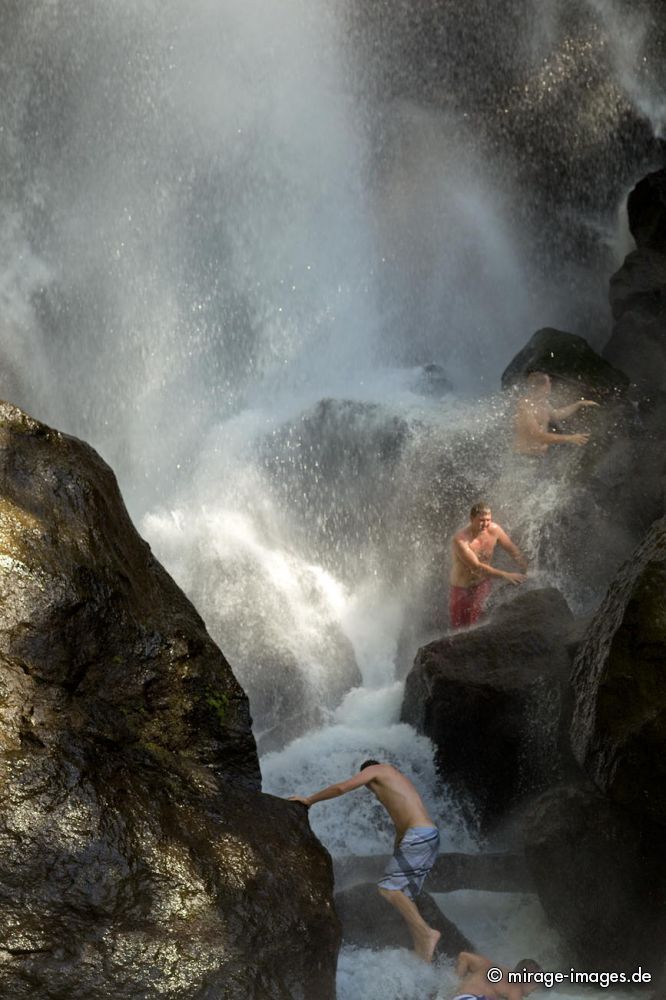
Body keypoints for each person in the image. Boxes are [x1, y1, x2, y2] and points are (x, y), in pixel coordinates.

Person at [289, 760, 442, 962]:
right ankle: (423, 953)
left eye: (369, 786)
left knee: (389, 889)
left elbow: (341, 787)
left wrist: (309, 800)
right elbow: (401, 826)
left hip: (419, 835)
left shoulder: (376, 769)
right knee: (405, 894)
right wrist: (398, 849)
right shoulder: (400, 781)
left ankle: (427, 934)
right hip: (429, 835)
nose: (371, 790)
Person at [450, 503, 527, 628]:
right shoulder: (460, 540)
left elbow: (512, 550)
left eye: (488, 520)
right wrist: (505, 575)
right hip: (461, 589)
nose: (485, 524)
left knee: (479, 625)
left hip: (482, 584)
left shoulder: (495, 530)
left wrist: (526, 568)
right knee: (458, 631)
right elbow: (476, 567)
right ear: (471, 519)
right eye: (481, 520)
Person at [514, 371, 599, 455]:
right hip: (524, 457)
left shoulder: (542, 403)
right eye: (549, 382)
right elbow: (538, 436)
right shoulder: (525, 407)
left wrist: (578, 404)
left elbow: (556, 414)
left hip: (537, 457)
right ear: (542, 387)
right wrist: (570, 438)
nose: (551, 385)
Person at [453, 950, 542, 1000]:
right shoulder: (516, 986)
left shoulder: (488, 966)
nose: (534, 989)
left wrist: (456, 983)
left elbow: (464, 956)